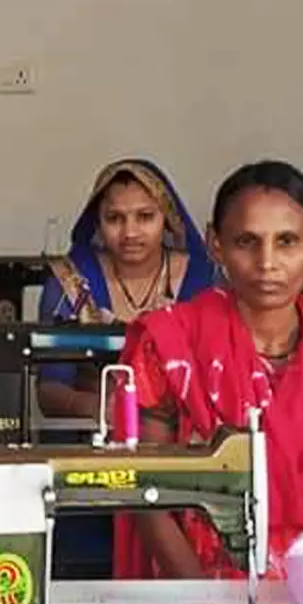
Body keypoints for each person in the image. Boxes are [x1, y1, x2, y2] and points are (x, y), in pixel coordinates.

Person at [115, 161, 303, 579]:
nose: (267, 262)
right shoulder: (169, 344)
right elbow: (147, 492)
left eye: (287, 241)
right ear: (215, 245)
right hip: (201, 588)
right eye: (246, 242)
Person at [35, 159, 215, 418]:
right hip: (94, 440)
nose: (130, 232)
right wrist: (100, 408)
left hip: (187, 440)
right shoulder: (70, 282)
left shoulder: (203, 279)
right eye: (114, 218)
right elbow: (50, 389)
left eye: (145, 217)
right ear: (97, 222)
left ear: (167, 219)